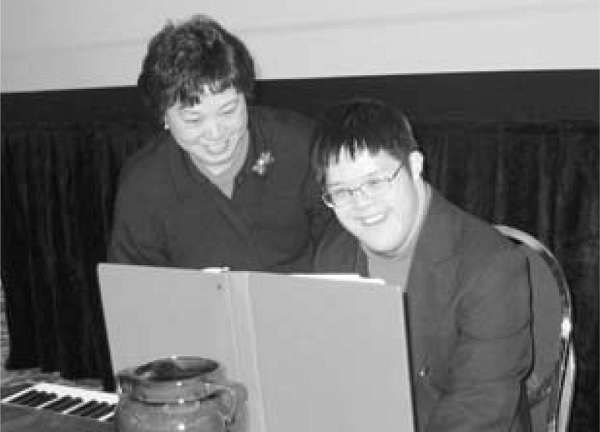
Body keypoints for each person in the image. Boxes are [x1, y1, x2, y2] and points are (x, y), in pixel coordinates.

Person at [311, 98, 533, 431]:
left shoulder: (491, 266)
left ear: (414, 165)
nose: (362, 204)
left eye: (375, 182)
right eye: (342, 192)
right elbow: (329, 376)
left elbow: (478, 411)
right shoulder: (333, 254)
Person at [108, 14, 331, 272]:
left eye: (228, 111)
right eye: (193, 119)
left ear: (246, 97)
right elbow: (135, 281)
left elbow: (339, 238)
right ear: (164, 117)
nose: (215, 134)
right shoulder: (144, 184)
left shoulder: (298, 144)